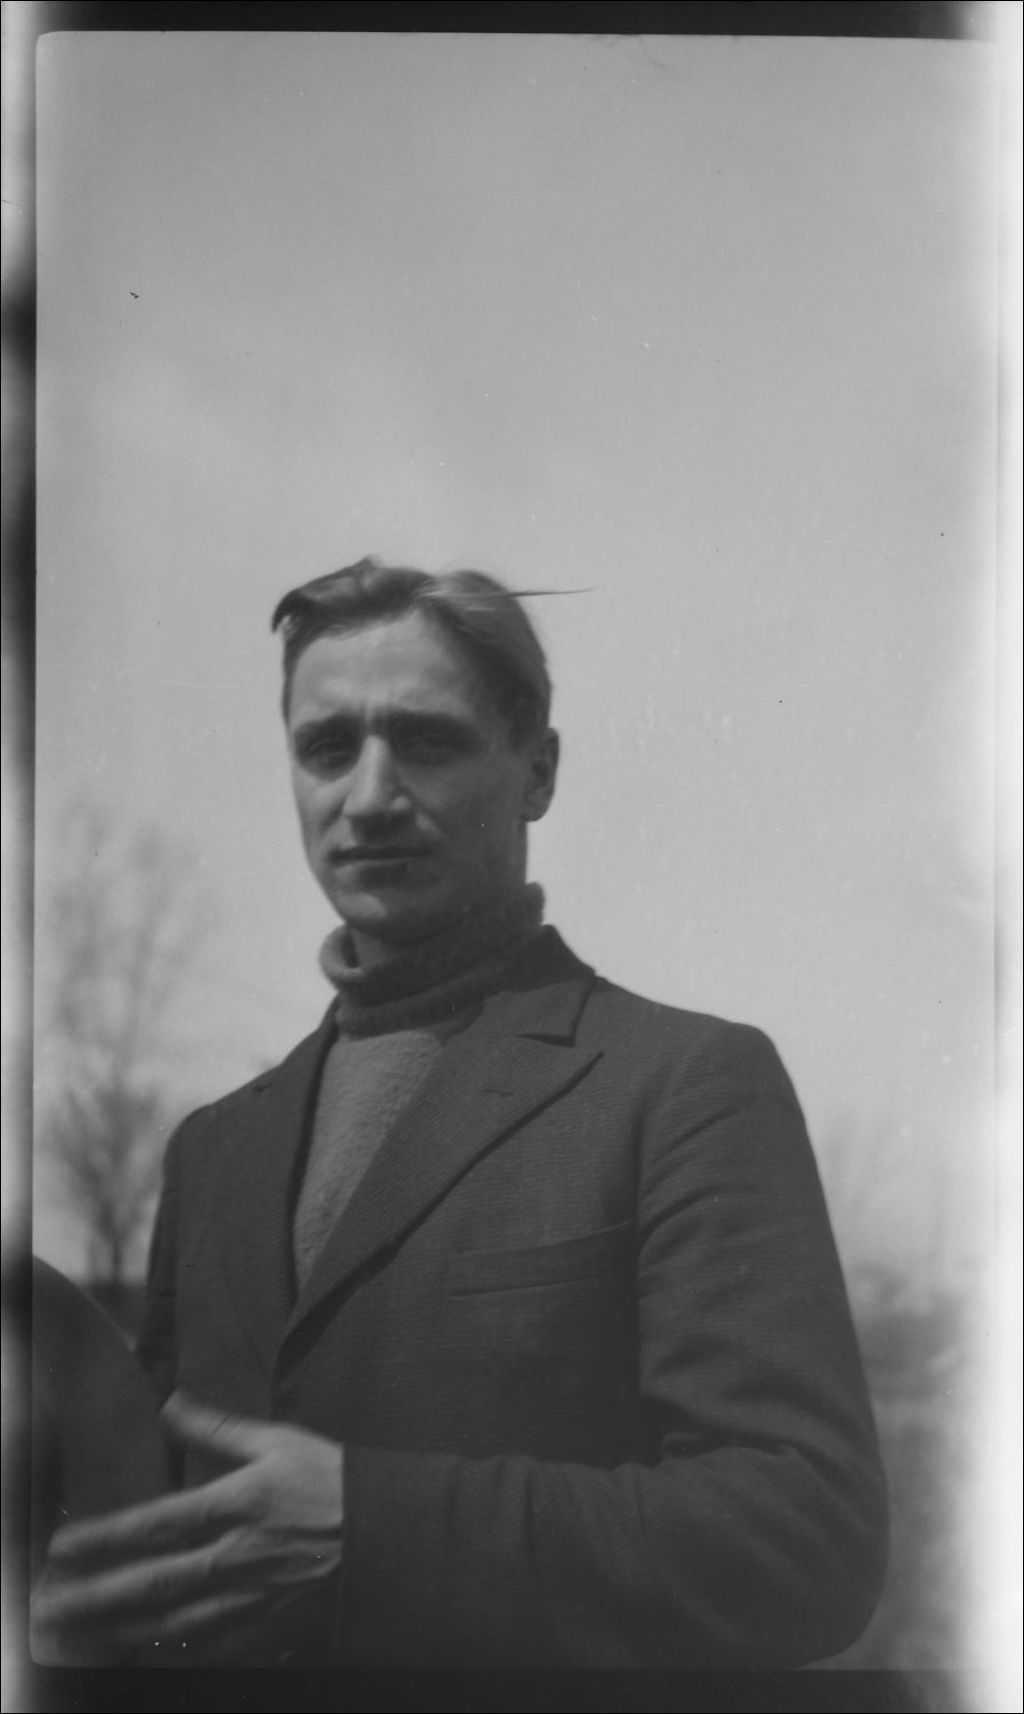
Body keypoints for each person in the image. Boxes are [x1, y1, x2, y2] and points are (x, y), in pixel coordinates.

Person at [36, 558, 887, 1671]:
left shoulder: (684, 1081)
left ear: (538, 771)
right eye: (326, 747)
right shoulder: (214, 1148)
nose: (370, 796)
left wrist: (375, 1529)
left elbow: (807, 1534)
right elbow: (158, 1537)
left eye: (426, 740)